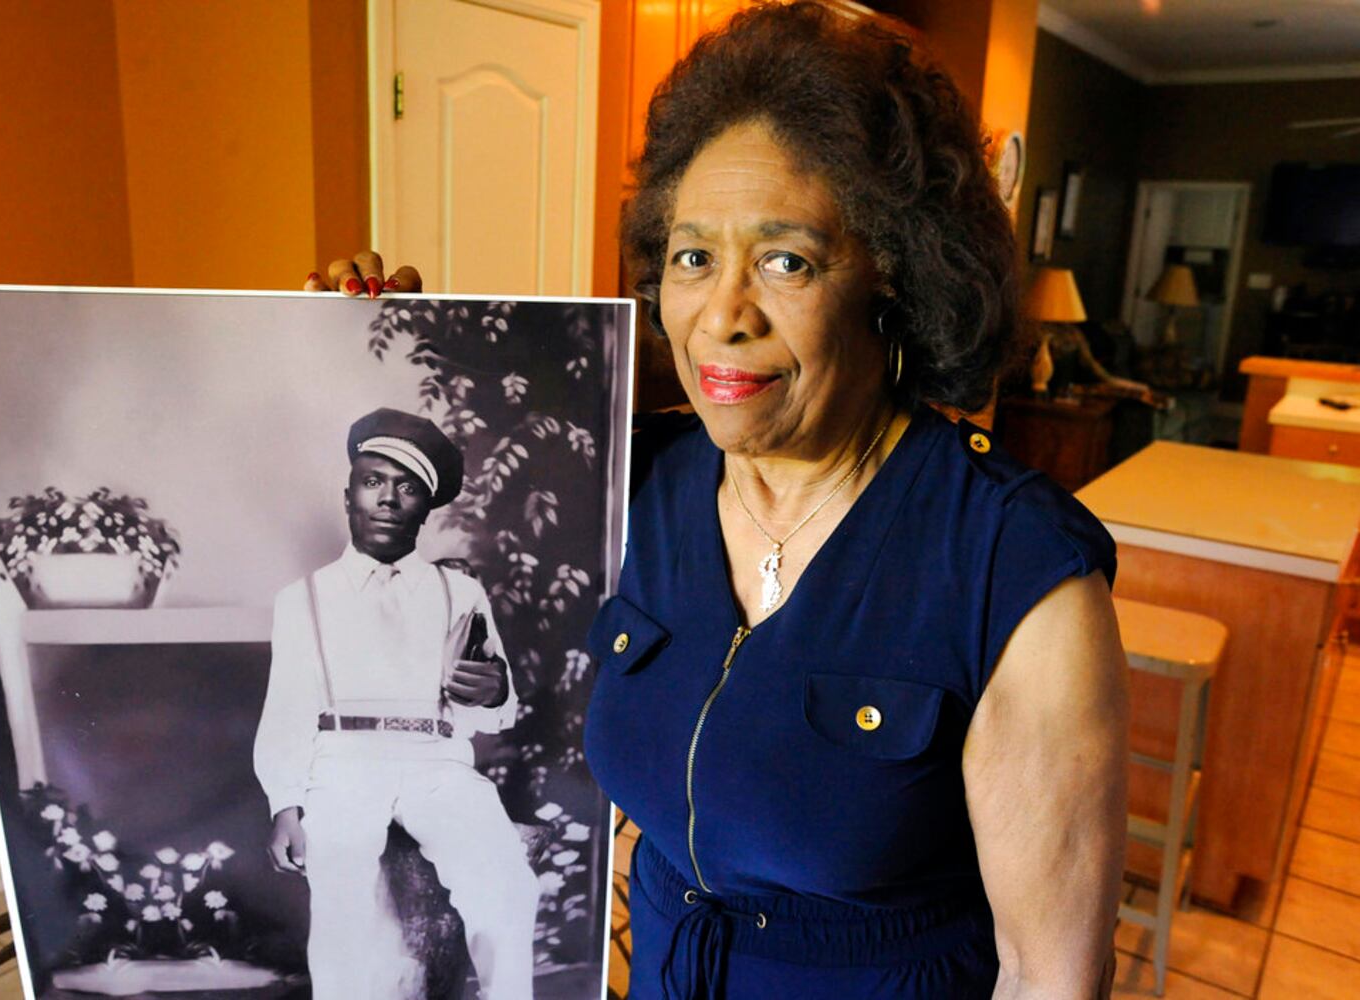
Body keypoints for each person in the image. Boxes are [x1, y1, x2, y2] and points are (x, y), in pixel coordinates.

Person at [314, 5, 1128, 996]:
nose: (723, 316)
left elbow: (1052, 975)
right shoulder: (637, 479)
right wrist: (347, 341)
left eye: (786, 260)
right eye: (694, 258)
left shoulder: (1011, 566)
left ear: (891, 278)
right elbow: (438, 530)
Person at [253, 407, 540, 999]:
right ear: (349, 495)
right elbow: (286, 708)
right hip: (341, 765)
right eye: (373, 482)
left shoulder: (458, 591)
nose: (387, 499)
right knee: (343, 895)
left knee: (507, 884)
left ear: (426, 507)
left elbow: (490, 707)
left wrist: (494, 690)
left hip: (437, 763)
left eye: (406, 487)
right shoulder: (303, 598)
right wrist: (285, 803)